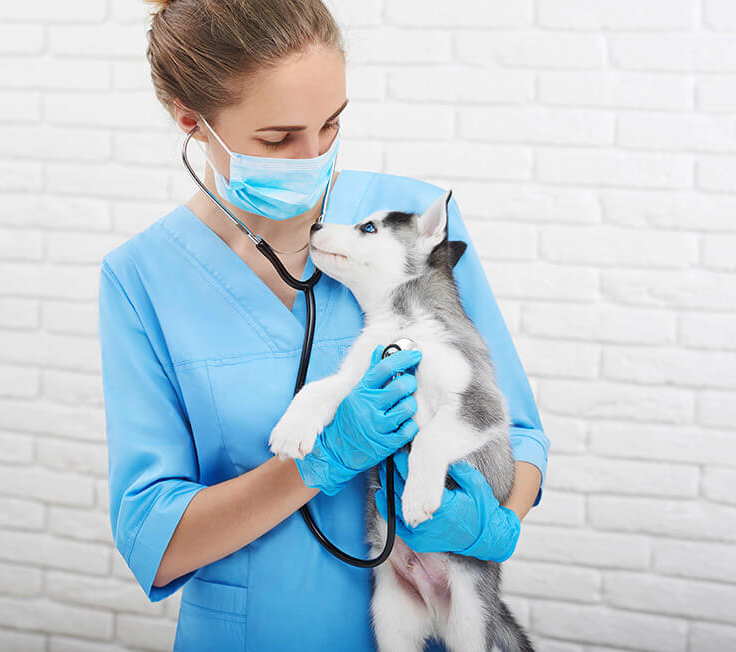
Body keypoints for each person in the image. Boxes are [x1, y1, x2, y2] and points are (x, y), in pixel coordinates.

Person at [98, 0, 550, 650]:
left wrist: (490, 525)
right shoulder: (142, 278)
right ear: (194, 122)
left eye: (331, 125)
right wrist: (322, 459)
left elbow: (522, 435)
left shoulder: (413, 224)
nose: (315, 159)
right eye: (279, 139)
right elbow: (154, 538)